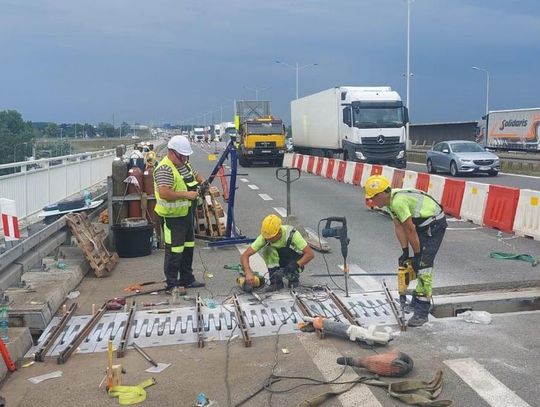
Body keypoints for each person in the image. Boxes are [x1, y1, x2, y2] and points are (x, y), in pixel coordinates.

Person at [364, 175, 447, 327]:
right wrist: (405, 252)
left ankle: (422, 312)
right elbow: (399, 227)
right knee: (418, 264)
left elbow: (410, 229)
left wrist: (417, 255)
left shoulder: (398, 202)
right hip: (422, 226)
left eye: (373, 198)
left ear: (381, 194)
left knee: (424, 267)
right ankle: (416, 302)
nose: (372, 202)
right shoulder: (390, 203)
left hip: (434, 226)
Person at [153, 135, 207, 292]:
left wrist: (203, 182)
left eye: (186, 156)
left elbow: (195, 174)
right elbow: (164, 193)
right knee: (174, 250)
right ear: (172, 152)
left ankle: (187, 278)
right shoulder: (165, 168)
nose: (185, 159)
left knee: (188, 246)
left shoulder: (184, 164)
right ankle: (171, 284)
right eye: (183, 156)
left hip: (186, 213)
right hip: (172, 217)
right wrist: (186, 195)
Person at [240, 214, 314, 292]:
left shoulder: (292, 234)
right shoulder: (265, 236)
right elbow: (245, 255)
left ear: (279, 232)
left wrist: (291, 267)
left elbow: (310, 254)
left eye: (271, 238)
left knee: (285, 254)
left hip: (295, 260)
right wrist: (248, 272)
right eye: (267, 238)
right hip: (279, 257)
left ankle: (293, 277)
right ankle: (276, 283)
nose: (268, 240)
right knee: (267, 250)